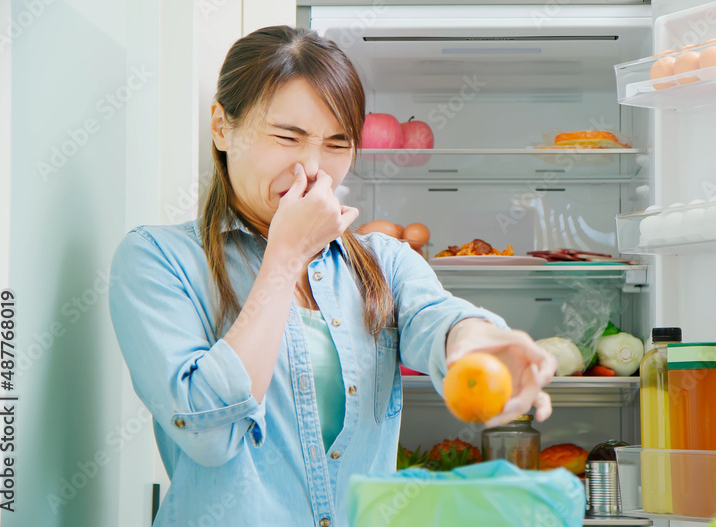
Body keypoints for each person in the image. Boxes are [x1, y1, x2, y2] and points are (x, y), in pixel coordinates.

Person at [108, 25, 557, 526]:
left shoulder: (383, 261)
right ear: (221, 126)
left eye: (337, 144)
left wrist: (479, 344)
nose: (313, 169)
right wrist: (286, 255)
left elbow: (440, 318)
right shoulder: (158, 260)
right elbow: (208, 434)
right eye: (286, 137)